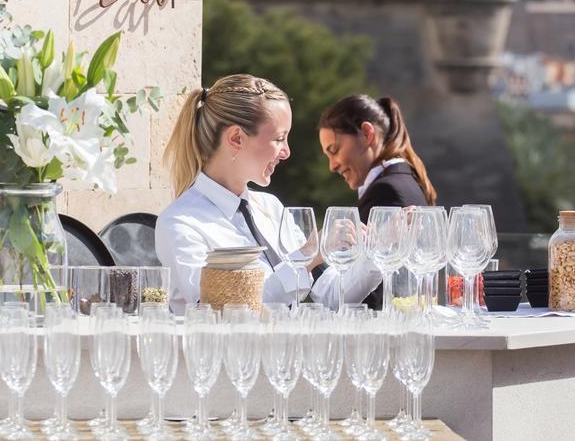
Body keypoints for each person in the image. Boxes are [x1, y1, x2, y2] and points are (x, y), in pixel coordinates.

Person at [156, 74, 380, 312]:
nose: (286, 152)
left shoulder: (271, 207)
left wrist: (379, 253)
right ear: (235, 138)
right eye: (279, 139)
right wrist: (308, 254)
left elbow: (333, 295)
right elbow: (221, 312)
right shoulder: (181, 224)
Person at [317, 94, 437, 222]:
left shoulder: (386, 191)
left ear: (367, 134)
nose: (332, 166)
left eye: (334, 150)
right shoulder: (406, 180)